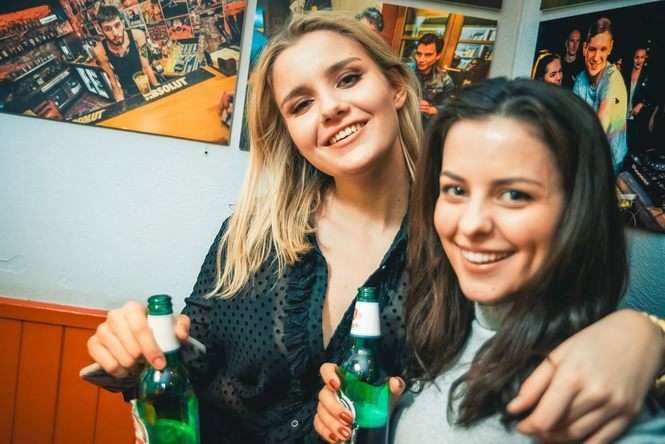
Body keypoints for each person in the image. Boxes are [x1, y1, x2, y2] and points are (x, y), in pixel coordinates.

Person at [85, 14, 664, 444]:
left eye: (347, 79)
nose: (330, 108)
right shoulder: (251, 234)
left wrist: (643, 333)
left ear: (396, 87)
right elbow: (191, 359)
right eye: (300, 104)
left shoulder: (462, 242)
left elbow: (540, 325)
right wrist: (134, 354)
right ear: (289, 133)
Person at [315, 79, 665, 443]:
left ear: (579, 211)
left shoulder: (607, 400)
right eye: (456, 190)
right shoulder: (440, 332)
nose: (471, 225)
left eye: (514, 195)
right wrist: (381, 423)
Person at [573, 17, 628, 174]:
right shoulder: (580, 80)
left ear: (610, 48)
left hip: (610, 165)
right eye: (592, 49)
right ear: (584, 48)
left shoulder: (613, 81)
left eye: (603, 49)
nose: (596, 58)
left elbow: (600, 127)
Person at [92, 5, 158, 102]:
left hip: (146, 85)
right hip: (128, 93)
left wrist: (157, 91)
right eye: (108, 29)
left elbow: (146, 67)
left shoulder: (138, 36)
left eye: (117, 25)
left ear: (123, 23)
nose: (115, 33)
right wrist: (122, 104)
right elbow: (113, 81)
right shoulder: (99, 51)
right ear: (101, 30)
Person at [411, 33, 455, 123]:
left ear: (438, 56)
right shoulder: (404, 71)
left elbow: (450, 106)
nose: (421, 59)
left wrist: (433, 109)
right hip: (403, 120)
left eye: (428, 55)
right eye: (418, 54)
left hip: (426, 124)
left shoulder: (445, 80)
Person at [624, 47, 654, 155]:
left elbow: (653, 96)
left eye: (642, 57)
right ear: (632, 58)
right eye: (637, 57)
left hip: (638, 119)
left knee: (634, 148)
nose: (639, 60)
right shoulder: (625, 72)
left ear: (645, 58)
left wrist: (641, 104)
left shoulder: (648, 75)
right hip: (623, 116)